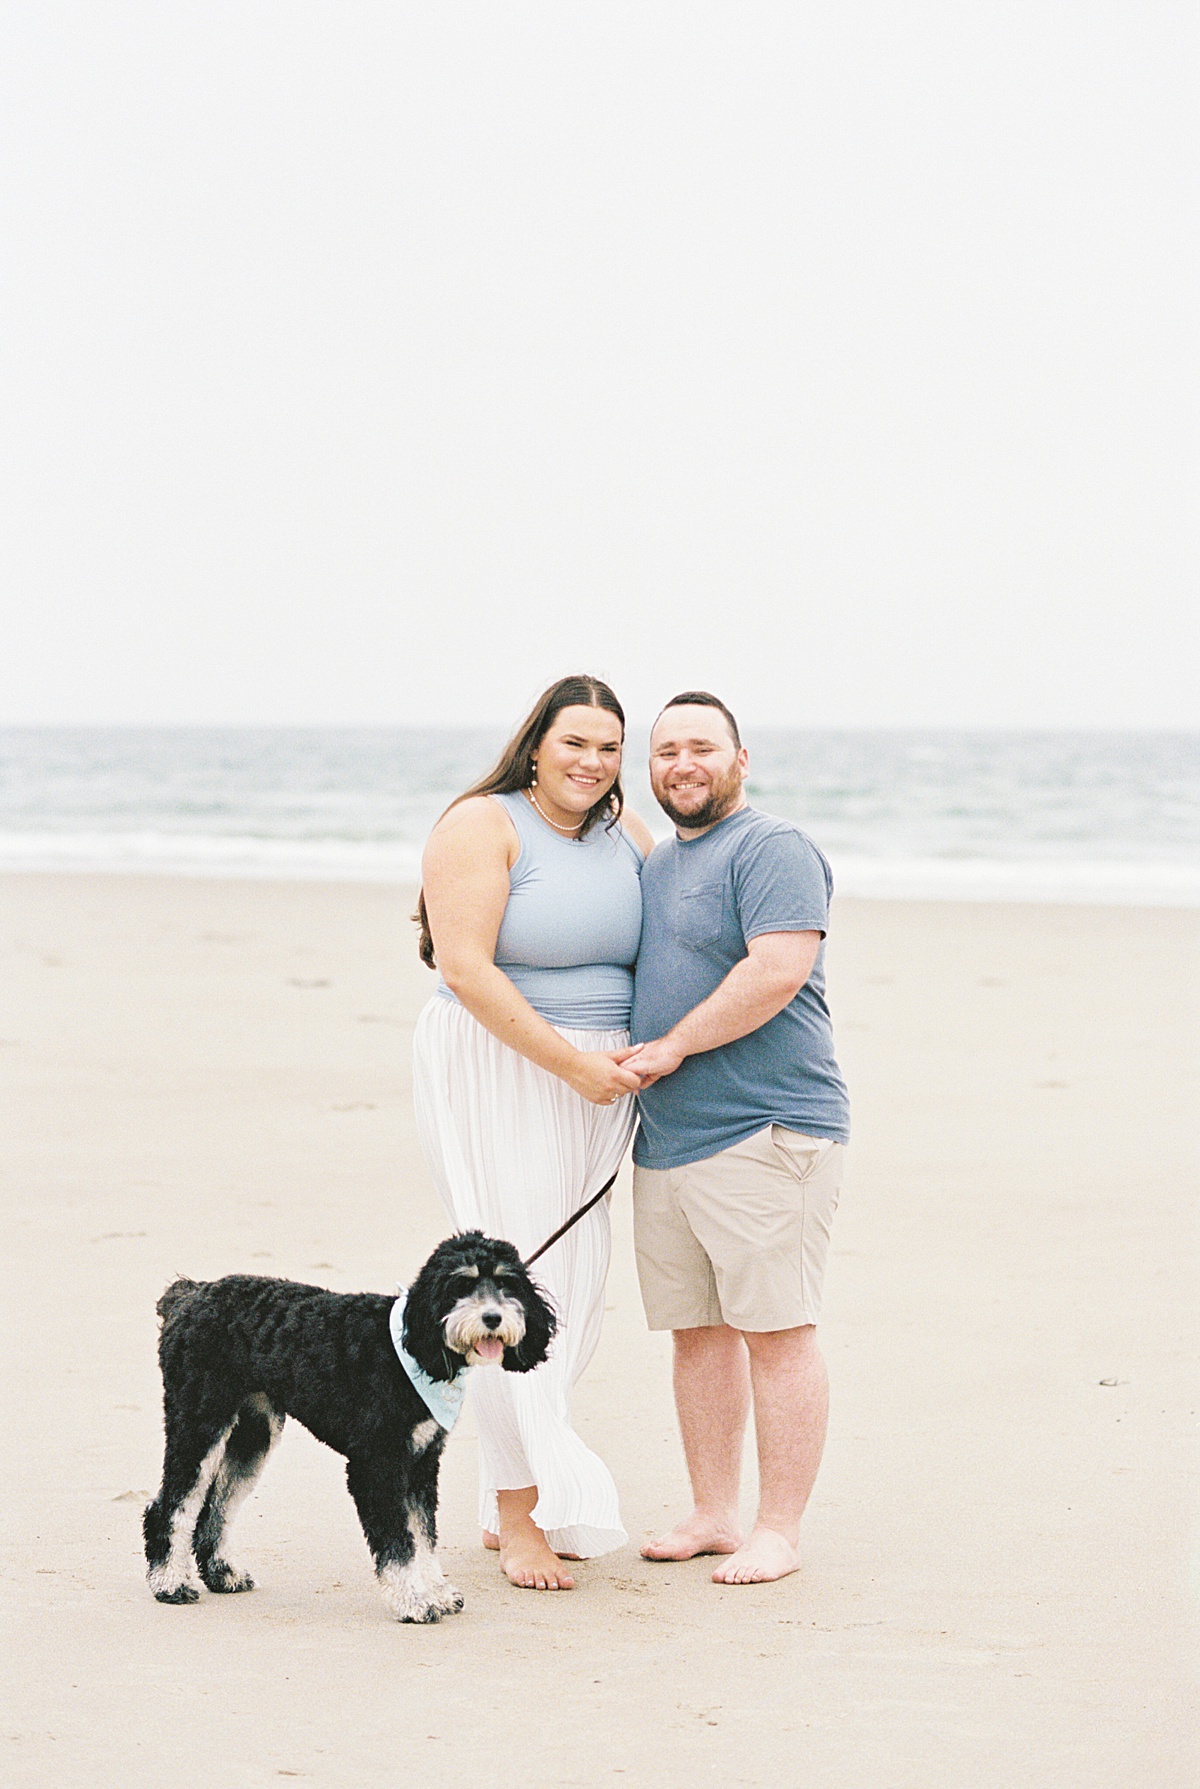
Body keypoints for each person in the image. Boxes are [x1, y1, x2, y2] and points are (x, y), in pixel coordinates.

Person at [412, 675, 654, 1591]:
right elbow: (466, 967)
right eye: (575, 743)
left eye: (608, 747)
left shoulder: (629, 836)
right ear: (536, 744)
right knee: (510, 1285)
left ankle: (502, 1489)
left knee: (574, 1293)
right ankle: (521, 1518)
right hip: (501, 1065)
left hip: (599, 1080)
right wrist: (571, 1063)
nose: (592, 762)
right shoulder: (482, 823)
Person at [624, 691, 850, 1586]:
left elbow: (779, 969)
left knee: (777, 1330)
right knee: (697, 1333)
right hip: (667, 1139)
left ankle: (778, 1529)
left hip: (766, 1128)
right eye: (667, 749)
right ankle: (713, 1513)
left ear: (740, 759)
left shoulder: (772, 848)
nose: (684, 763)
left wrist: (673, 1043)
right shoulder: (658, 863)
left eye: (702, 747)